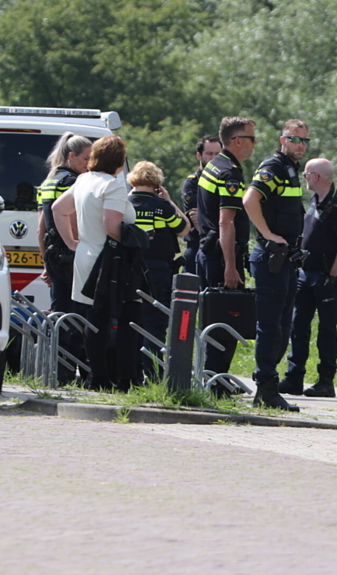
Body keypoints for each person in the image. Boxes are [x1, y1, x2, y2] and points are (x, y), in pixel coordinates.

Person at [51, 135, 139, 389]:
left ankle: (96, 376)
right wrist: (137, 239)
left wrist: (71, 242)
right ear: (119, 162)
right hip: (111, 260)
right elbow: (112, 226)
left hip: (86, 255)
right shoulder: (113, 184)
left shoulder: (84, 180)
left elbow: (58, 209)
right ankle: (122, 378)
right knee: (126, 317)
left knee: (93, 320)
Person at [243, 119, 309, 411]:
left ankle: (268, 386)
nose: (300, 145)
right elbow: (250, 199)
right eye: (294, 139)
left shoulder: (291, 170)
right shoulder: (274, 167)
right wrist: (268, 234)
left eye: (304, 141)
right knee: (270, 326)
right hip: (270, 256)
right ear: (282, 139)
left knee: (283, 326)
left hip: (285, 259)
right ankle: (266, 388)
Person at [282, 158, 337, 398]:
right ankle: (294, 378)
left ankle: (326, 381)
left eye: (307, 173)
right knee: (298, 326)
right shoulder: (314, 199)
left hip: (324, 276)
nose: (304, 176)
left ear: (317, 176)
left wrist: (332, 276)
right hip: (305, 273)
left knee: (326, 330)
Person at [195, 117, 257, 375]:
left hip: (208, 250)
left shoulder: (213, 165)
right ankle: (216, 381)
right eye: (252, 138)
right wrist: (231, 266)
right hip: (221, 255)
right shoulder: (229, 172)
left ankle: (212, 376)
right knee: (226, 319)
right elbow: (226, 221)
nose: (255, 144)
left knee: (215, 318)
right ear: (238, 141)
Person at [37, 132, 93, 385]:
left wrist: (45, 263)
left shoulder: (49, 181)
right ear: (71, 156)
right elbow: (70, 219)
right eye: (85, 158)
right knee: (78, 315)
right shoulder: (73, 181)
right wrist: (78, 246)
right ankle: (74, 371)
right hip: (72, 256)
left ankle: (57, 371)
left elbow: (40, 228)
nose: (89, 164)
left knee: (59, 313)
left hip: (54, 256)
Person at [129, 161, 190, 379]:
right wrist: (170, 201)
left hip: (129, 271)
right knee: (155, 323)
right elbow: (184, 229)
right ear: (156, 183)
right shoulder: (162, 208)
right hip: (158, 272)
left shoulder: (123, 204)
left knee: (131, 321)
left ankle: (131, 374)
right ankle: (154, 374)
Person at [181, 135, 222, 275]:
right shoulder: (192, 183)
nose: (214, 158)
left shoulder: (226, 179)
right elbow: (196, 218)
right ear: (199, 155)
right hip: (198, 246)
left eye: (218, 154)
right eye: (209, 154)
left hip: (222, 246)